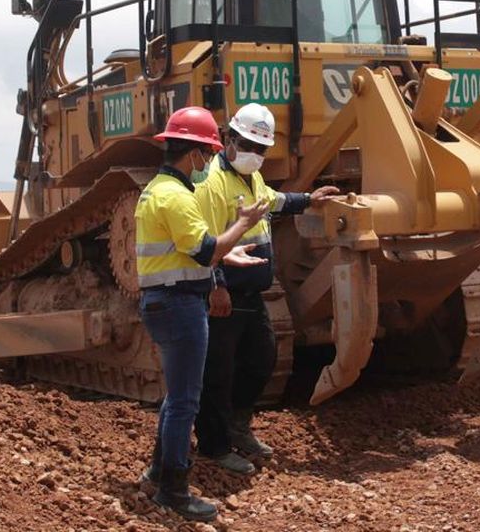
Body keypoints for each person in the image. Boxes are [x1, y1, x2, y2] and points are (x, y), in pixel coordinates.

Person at [136, 106, 270, 521]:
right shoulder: (177, 197)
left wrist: (233, 251)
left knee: (177, 397)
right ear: (194, 153)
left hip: (167, 300)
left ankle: (160, 471)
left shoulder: (157, 189)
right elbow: (206, 250)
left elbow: (191, 251)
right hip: (179, 305)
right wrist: (241, 225)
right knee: (184, 403)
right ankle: (174, 490)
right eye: (207, 153)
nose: (208, 162)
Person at [194, 103, 339, 474]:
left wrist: (308, 199)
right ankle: (215, 446)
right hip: (225, 295)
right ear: (229, 138)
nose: (254, 154)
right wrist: (216, 287)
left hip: (251, 294)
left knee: (262, 360)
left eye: (261, 149)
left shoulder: (249, 178)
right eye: (247, 145)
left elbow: (272, 201)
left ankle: (238, 426)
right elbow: (207, 243)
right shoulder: (213, 183)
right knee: (217, 374)